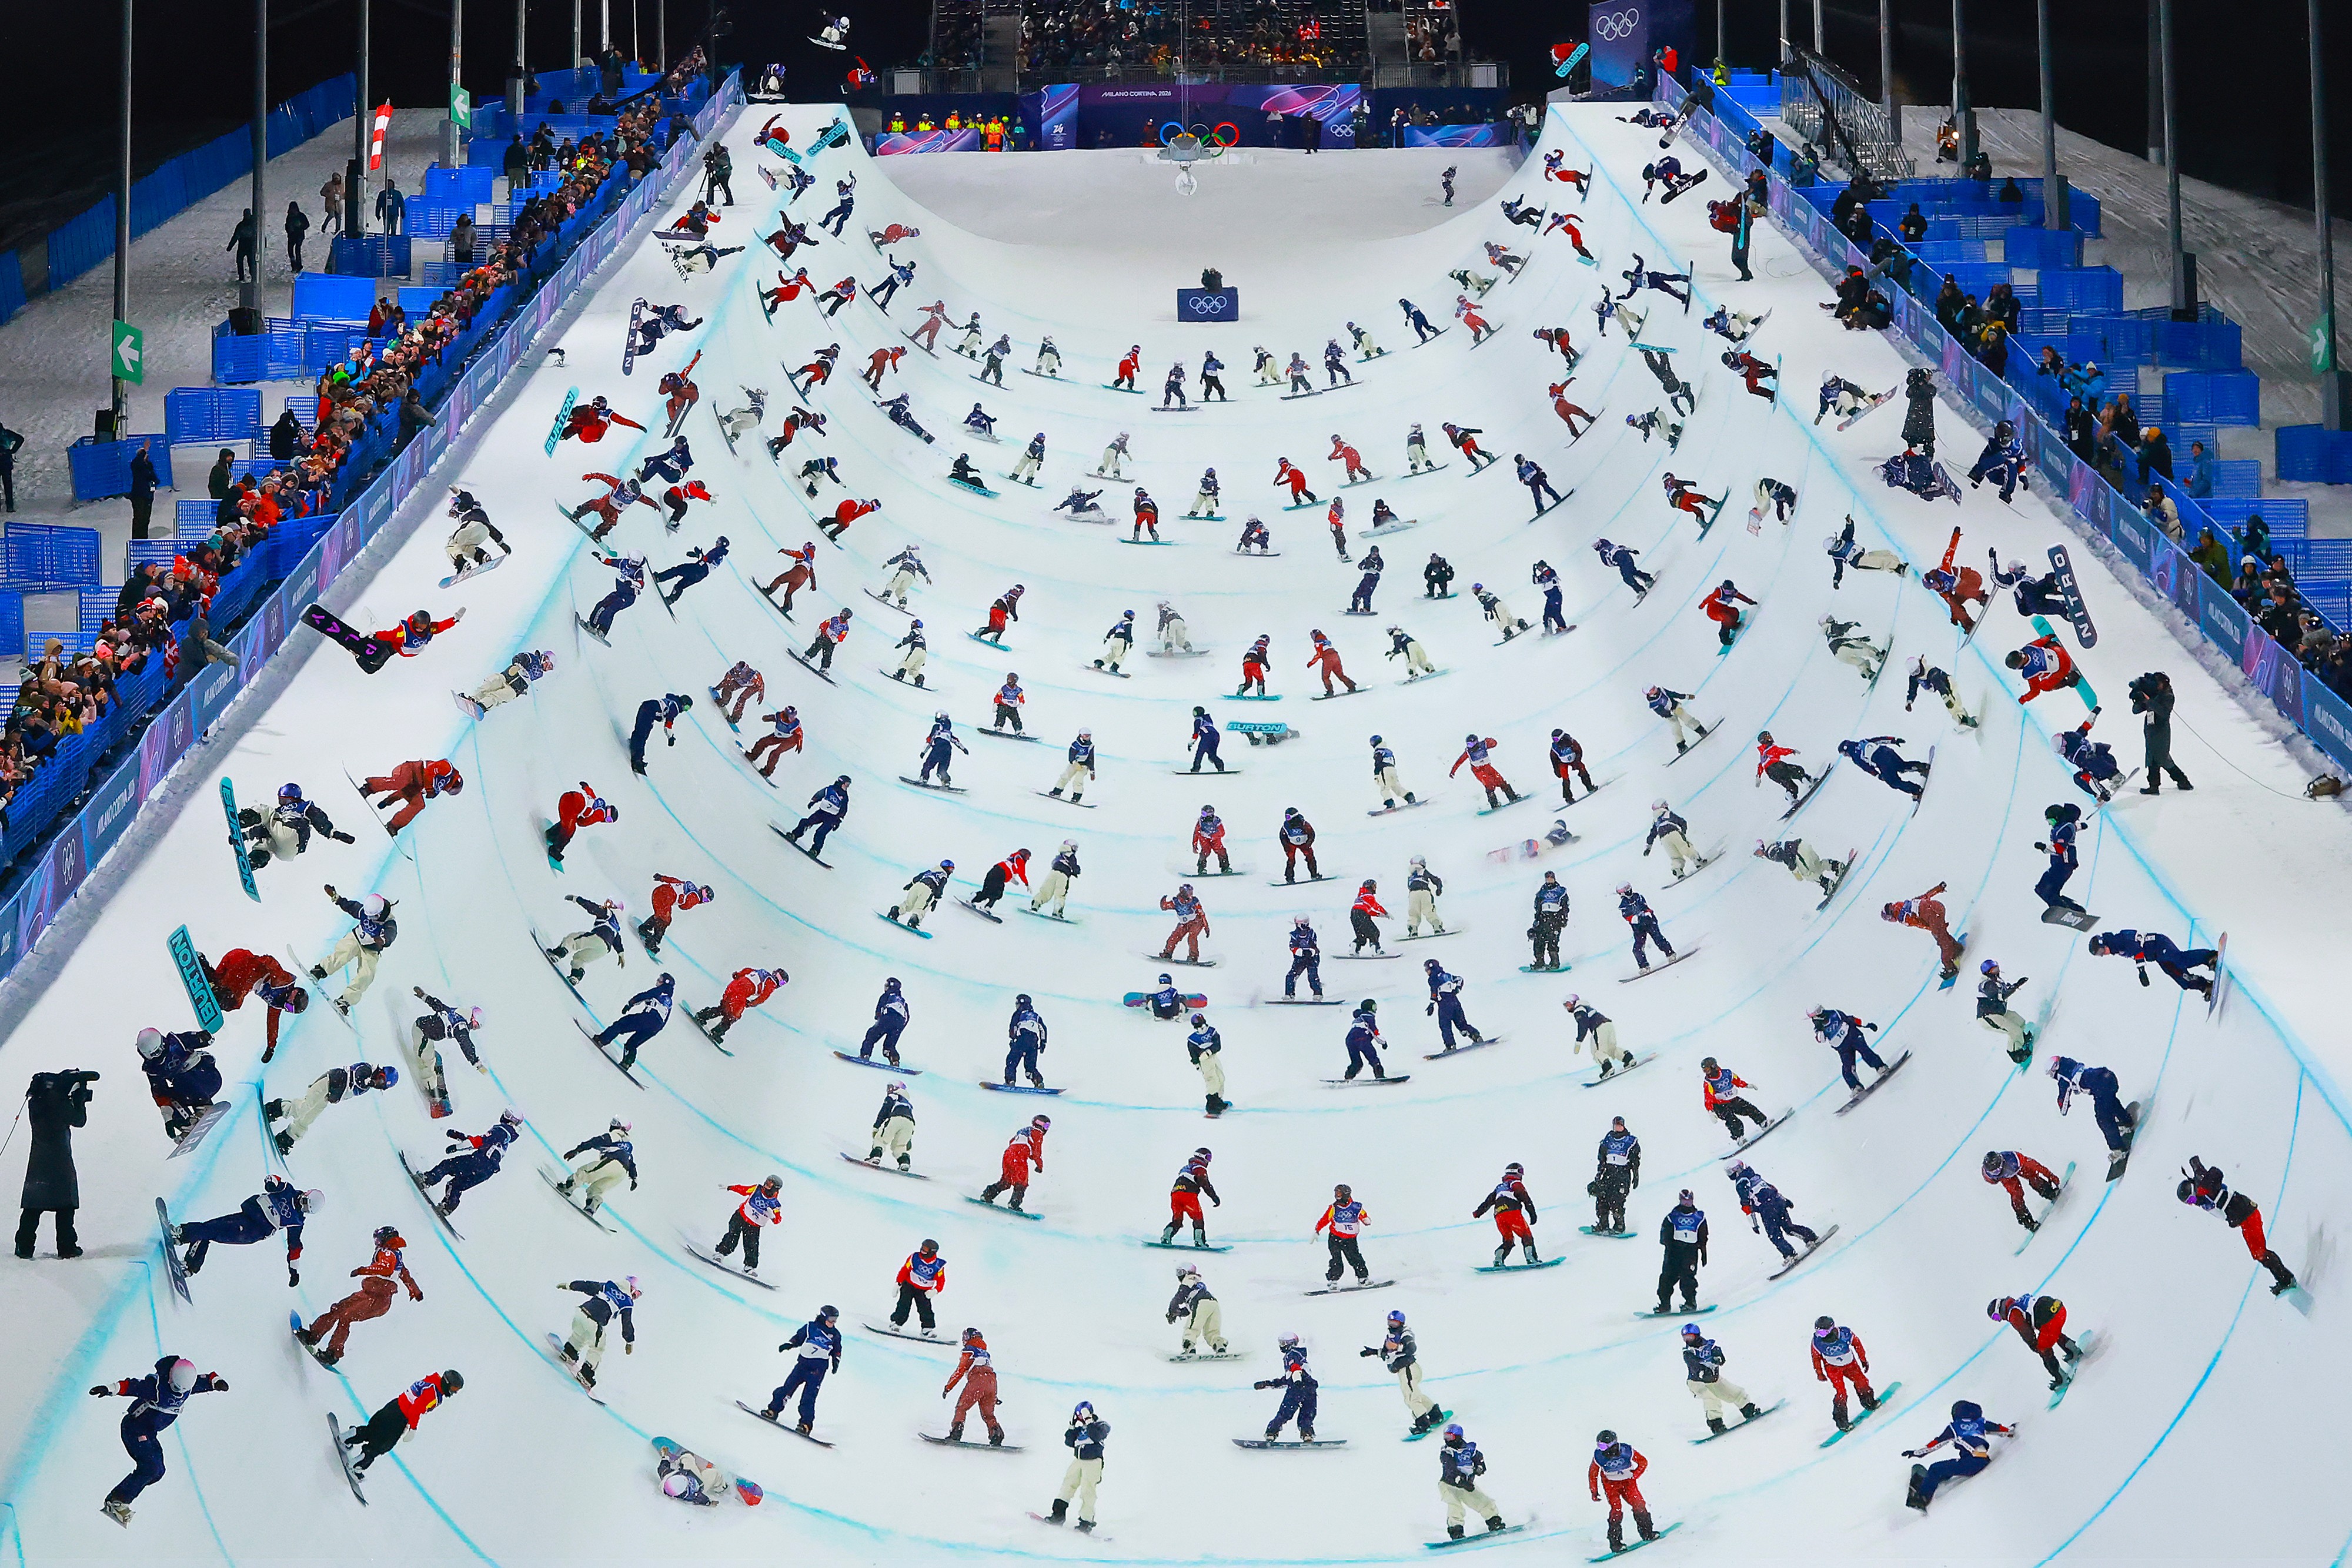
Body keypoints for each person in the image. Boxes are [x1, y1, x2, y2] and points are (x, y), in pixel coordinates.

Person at [92, 1355, 228, 1523]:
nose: (178, 1393)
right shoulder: (156, 1388)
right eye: (176, 1388)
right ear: (171, 1377)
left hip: (149, 1433)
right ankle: (116, 1501)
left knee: (158, 1472)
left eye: (182, 1390)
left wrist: (218, 1383)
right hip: (134, 1429)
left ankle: (127, 1492)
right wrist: (109, 1389)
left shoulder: (187, 1387)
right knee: (150, 1468)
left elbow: (207, 1379)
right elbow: (132, 1386)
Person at [17, 1068, 92, 1259]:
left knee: (33, 1207)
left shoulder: (36, 1104)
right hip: (60, 1161)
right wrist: (79, 1101)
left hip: (39, 1160)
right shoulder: (58, 1104)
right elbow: (79, 1120)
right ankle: (67, 1247)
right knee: (65, 1207)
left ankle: (24, 1246)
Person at [342, 1371, 462, 1476]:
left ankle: (348, 1436)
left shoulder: (433, 1379)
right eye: (454, 1389)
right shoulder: (434, 1395)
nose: (454, 1393)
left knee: (373, 1430)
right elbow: (415, 1410)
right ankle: (356, 1466)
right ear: (447, 1384)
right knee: (381, 1445)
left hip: (395, 1405)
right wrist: (413, 1428)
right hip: (399, 1419)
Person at [1904, 1399, 2014, 1510]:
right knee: (1951, 1466)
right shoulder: (1981, 1423)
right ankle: (1938, 1480)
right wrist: (2011, 1429)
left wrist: (1916, 1453)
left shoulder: (1955, 1427)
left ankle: (1921, 1499)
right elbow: (2002, 1430)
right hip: (1983, 1460)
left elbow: (1936, 1444)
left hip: (1971, 1463)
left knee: (1935, 1468)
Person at [759, 1307, 843, 1435]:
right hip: (802, 1366)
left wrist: (836, 1361)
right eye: (831, 1319)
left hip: (818, 1370)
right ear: (823, 1317)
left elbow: (837, 1350)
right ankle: (773, 1410)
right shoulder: (811, 1327)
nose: (833, 1323)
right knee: (787, 1388)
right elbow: (799, 1338)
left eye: (835, 1320)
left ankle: (805, 1424)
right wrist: (790, 1344)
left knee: (809, 1397)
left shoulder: (836, 1335)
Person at [1589, 1430, 1657, 1551]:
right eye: (1599, 1446)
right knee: (1616, 1509)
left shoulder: (1626, 1451)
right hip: (1610, 1484)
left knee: (1639, 1504)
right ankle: (1616, 1543)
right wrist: (1594, 1490)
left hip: (1628, 1482)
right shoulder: (1599, 1456)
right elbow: (1593, 1473)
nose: (1602, 1449)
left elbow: (1643, 1462)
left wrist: (1635, 1475)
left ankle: (1647, 1533)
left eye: (1603, 1446)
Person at [1046, 1400, 1108, 1531]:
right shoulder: (1081, 1430)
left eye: (1083, 1414)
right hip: (1078, 1461)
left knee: (1087, 1490)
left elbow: (1096, 1436)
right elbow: (1069, 1442)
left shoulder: (1101, 1426)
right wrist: (1072, 1425)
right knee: (1068, 1485)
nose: (1081, 1417)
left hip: (1093, 1462)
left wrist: (1089, 1420)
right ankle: (1058, 1515)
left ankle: (1086, 1522)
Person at [942, 1326, 1004, 1444]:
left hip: (977, 1380)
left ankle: (956, 1432)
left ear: (970, 1338)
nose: (964, 1340)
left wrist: (948, 1387)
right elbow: (988, 1376)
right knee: (988, 1415)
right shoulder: (986, 1354)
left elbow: (960, 1371)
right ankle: (996, 1434)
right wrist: (994, 1398)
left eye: (965, 1337)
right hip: (992, 1383)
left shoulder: (969, 1351)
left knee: (962, 1407)